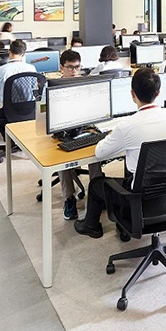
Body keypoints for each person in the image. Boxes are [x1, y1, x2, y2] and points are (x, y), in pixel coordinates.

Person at [73, 68, 166, 238]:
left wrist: (109, 136)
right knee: (133, 167)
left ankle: (91, 226)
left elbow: (100, 153)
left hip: (141, 200)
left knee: (96, 184)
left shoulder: (127, 126)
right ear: (158, 93)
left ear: (132, 94)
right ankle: (122, 225)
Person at [54, 49, 105, 221]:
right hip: (61, 130)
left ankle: (97, 194)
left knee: (95, 152)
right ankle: (69, 199)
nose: (74, 71)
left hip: (85, 127)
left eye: (77, 67)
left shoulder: (86, 84)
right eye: (70, 67)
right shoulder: (53, 87)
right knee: (61, 158)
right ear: (61, 67)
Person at [0, 39, 36, 141]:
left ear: (9, 51)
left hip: (10, 111)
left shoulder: (0, 70)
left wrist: (1, 87)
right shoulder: (31, 68)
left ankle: (9, 141)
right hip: (30, 109)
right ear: (23, 54)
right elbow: (34, 88)